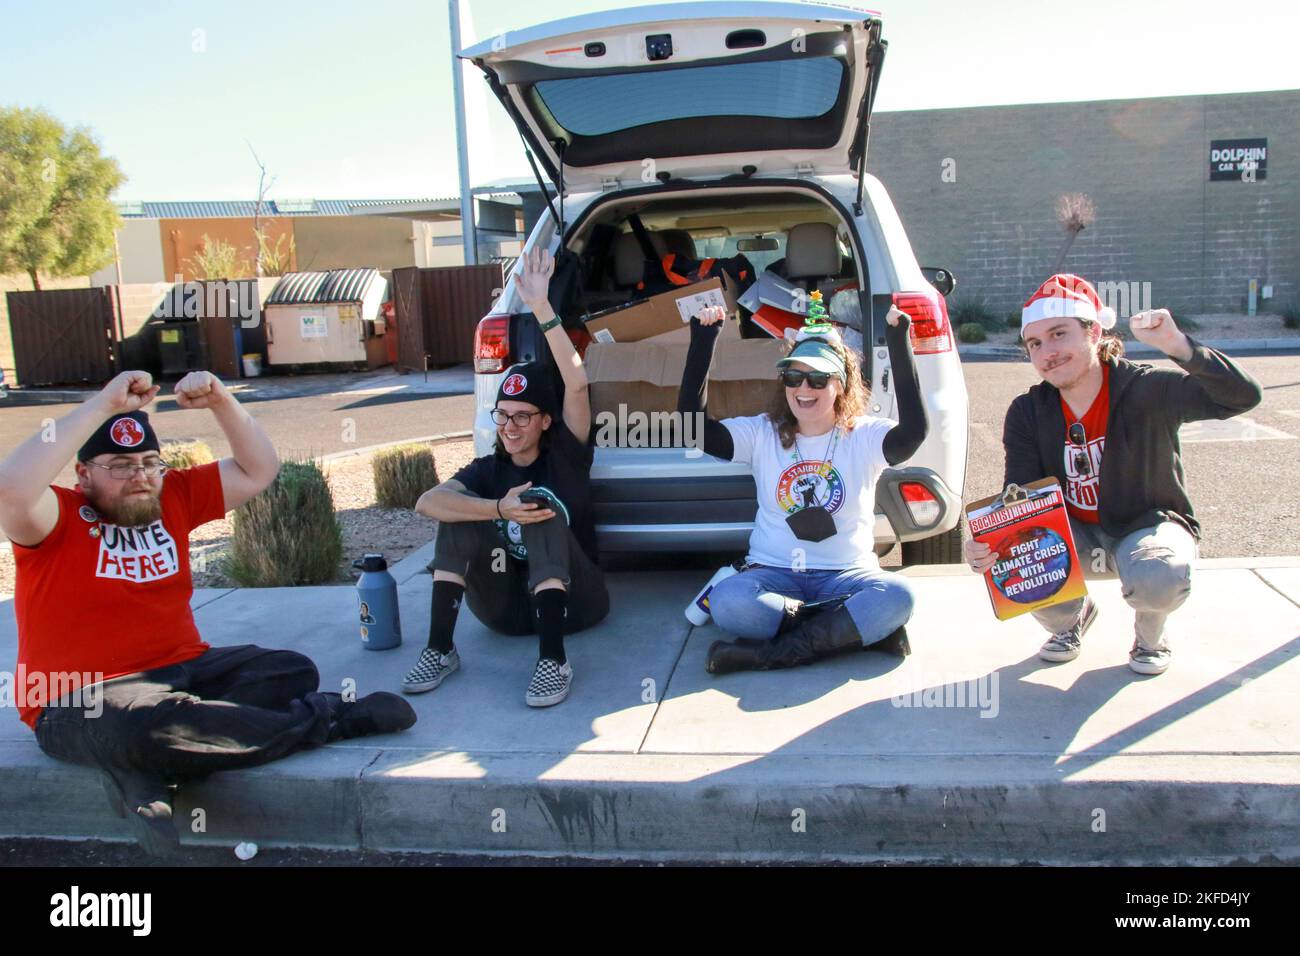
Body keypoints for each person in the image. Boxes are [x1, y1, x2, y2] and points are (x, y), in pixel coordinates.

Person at [0, 369, 416, 857]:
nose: (139, 477)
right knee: (146, 727)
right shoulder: (56, 516)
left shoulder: (171, 494)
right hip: (81, 695)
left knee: (288, 670)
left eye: (149, 462)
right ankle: (328, 720)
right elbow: (10, 488)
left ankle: (150, 768)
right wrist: (102, 404)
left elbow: (258, 468)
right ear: (84, 473)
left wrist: (222, 400)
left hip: (181, 672)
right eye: (119, 465)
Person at [964, 274, 1263, 675]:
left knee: (1161, 577)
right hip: (1076, 535)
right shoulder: (1028, 411)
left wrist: (1178, 347)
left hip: (1144, 528)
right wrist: (991, 542)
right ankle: (1072, 619)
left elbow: (1242, 397)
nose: (1048, 352)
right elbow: (1020, 496)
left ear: (1094, 332)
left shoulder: (1145, 389)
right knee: (1012, 561)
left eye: (1059, 334)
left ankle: (1150, 633)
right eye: (1035, 343)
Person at [401, 247, 609, 706]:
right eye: (503, 415)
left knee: (539, 506)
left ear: (545, 421)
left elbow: (576, 383)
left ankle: (554, 661)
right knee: (458, 516)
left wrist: (541, 308)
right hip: (508, 611)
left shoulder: (566, 457)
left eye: (523, 416)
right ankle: (439, 649)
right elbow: (426, 503)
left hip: (576, 605)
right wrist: (495, 508)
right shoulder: (487, 470)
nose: (510, 427)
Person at [679, 301, 929, 674]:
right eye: (793, 378)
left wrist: (898, 342)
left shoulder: (862, 434)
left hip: (846, 576)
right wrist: (702, 342)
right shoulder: (762, 432)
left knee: (897, 596)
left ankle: (766, 655)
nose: (803, 388)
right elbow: (693, 428)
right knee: (729, 602)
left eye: (817, 378)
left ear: (841, 384)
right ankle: (850, 632)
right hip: (773, 573)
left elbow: (913, 434)